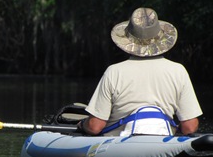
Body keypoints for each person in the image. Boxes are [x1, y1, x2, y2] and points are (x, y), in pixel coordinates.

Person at [78, 7, 202, 136]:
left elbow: (95, 126)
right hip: (164, 143)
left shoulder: (114, 72)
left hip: (118, 145)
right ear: (160, 39)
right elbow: (190, 127)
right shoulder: (178, 71)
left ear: (128, 40)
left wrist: (82, 124)